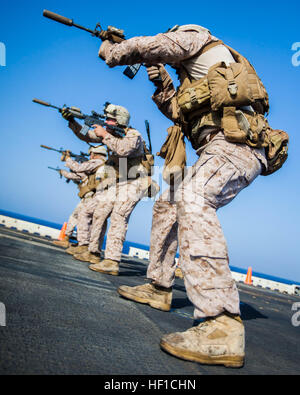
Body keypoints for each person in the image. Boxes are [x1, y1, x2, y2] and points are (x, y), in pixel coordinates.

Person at [97, 25, 278, 368]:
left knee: (194, 198)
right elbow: (180, 114)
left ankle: (221, 324)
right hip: (216, 149)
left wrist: (113, 51)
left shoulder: (196, 35)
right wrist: (161, 82)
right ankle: (159, 286)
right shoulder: (195, 78)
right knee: (168, 202)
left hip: (235, 147)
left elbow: (150, 45)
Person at [62, 103, 152, 275]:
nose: (107, 122)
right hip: (117, 181)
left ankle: (112, 261)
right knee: (98, 212)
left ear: (120, 120)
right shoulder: (109, 134)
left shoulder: (134, 135)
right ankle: (92, 251)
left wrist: (104, 134)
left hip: (135, 181)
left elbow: (123, 150)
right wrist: (72, 121)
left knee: (119, 216)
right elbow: (86, 137)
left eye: (110, 119)